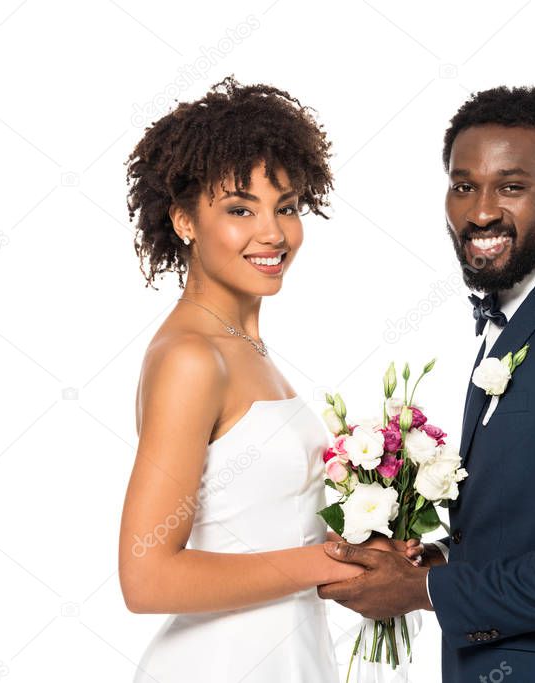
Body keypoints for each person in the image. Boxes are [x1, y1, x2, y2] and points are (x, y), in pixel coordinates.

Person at [318, 86, 535, 682]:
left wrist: (429, 590)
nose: (480, 212)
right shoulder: (523, 324)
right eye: (463, 185)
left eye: (511, 186)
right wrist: (443, 557)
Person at [118, 76, 421, 683]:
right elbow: (147, 576)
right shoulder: (191, 357)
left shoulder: (245, 349)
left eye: (286, 207)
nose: (273, 234)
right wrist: (328, 561)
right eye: (239, 209)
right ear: (183, 220)